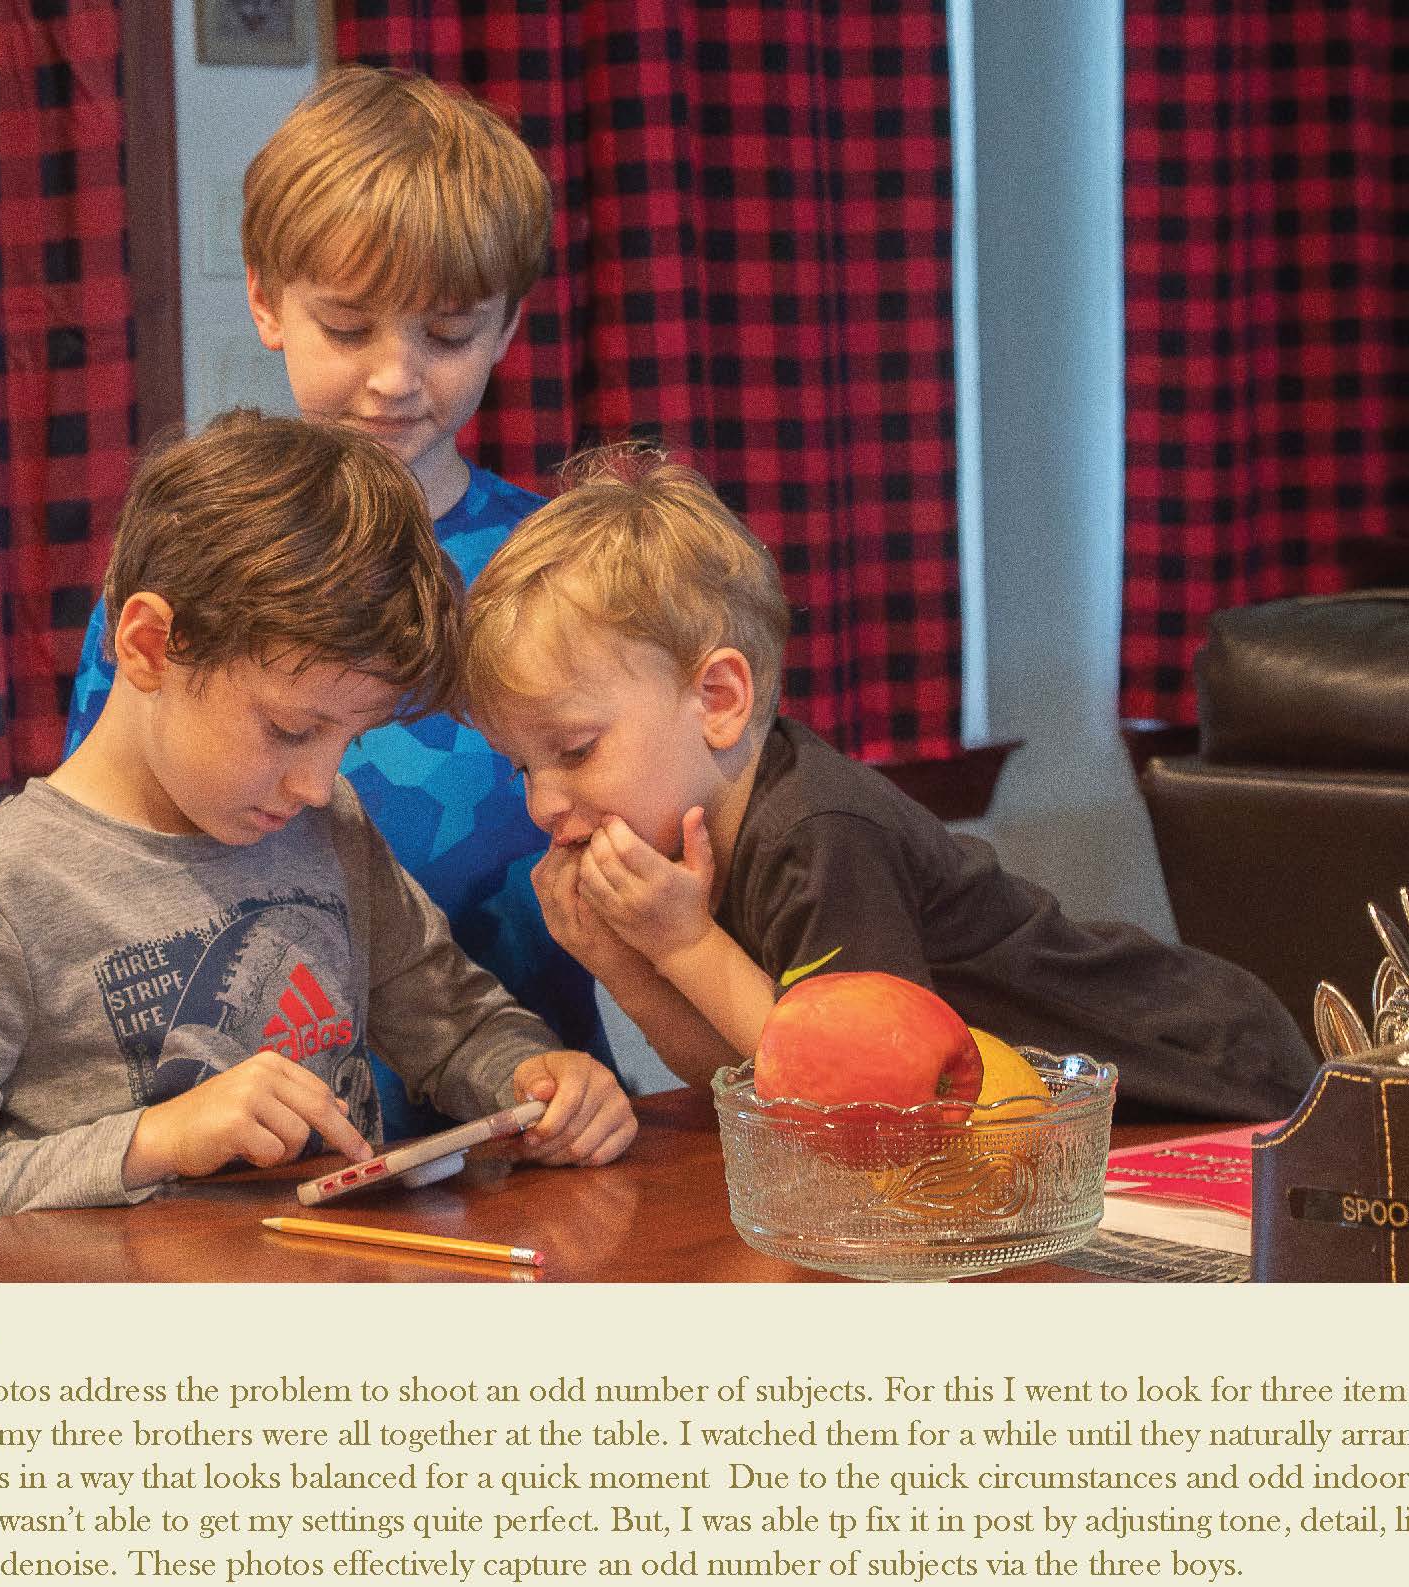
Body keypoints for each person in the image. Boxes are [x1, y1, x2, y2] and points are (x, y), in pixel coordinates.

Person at [0, 412, 634, 1245]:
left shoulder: (328, 830)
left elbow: (456, 1027)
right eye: (288, 730)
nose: (318, 783)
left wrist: (535, 1079)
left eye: (347, 740)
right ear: (146, 645)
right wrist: (154, 1140)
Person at [61, 66, 611, 1141]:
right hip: (245, 1147)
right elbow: (101, 864)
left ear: (507, 326)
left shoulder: (564, 572)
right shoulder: (186, 578)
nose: (396, 379)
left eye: (447, 335)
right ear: (266, 301)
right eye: (349, 328)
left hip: (525, 1123)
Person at [457, 447, 1318, 1121]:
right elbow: (753, 1090)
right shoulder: (690, 838)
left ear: (717, 699)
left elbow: (859, 1101)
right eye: (521, 765)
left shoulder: (816, 831)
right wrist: (628, 963)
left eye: (573, 750)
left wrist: (684, 946)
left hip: (1199, 1071)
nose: (542, 803)